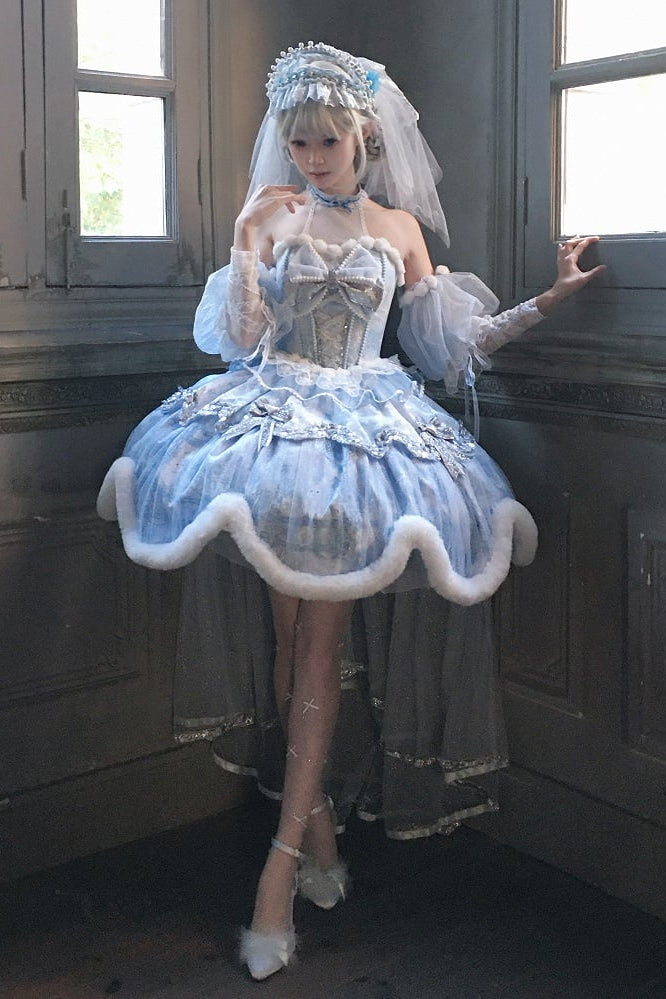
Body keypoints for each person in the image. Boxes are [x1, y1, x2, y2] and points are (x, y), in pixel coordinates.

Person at [97, 41, 604, 981]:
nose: (311, 158)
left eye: (327, 141)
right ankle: (319, 828)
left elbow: (452, 346)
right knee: (291, 642)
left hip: (364, 442)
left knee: (320, 648)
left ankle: (279, 872)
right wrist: (246, 241)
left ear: (365, 137)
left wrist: (550, 299)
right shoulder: (273, 214)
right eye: (298, 142)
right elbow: (237, 339)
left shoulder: (400, 228)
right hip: (272, 428)